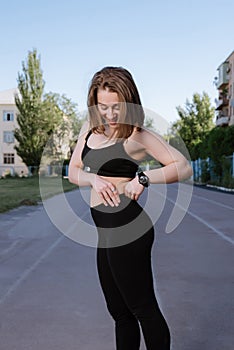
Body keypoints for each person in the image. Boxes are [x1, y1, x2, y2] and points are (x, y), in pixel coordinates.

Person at [68, 66, 192, 350]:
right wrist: (93, 179)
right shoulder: (89, 129)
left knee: (143, 309)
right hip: (105, 230)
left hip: (128, 227)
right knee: (120, 313)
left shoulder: (138, 135)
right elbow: (75, 171)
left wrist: (144, 178)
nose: (110, 115)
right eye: (103, 107)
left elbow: (182, 166)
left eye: (116, 107)